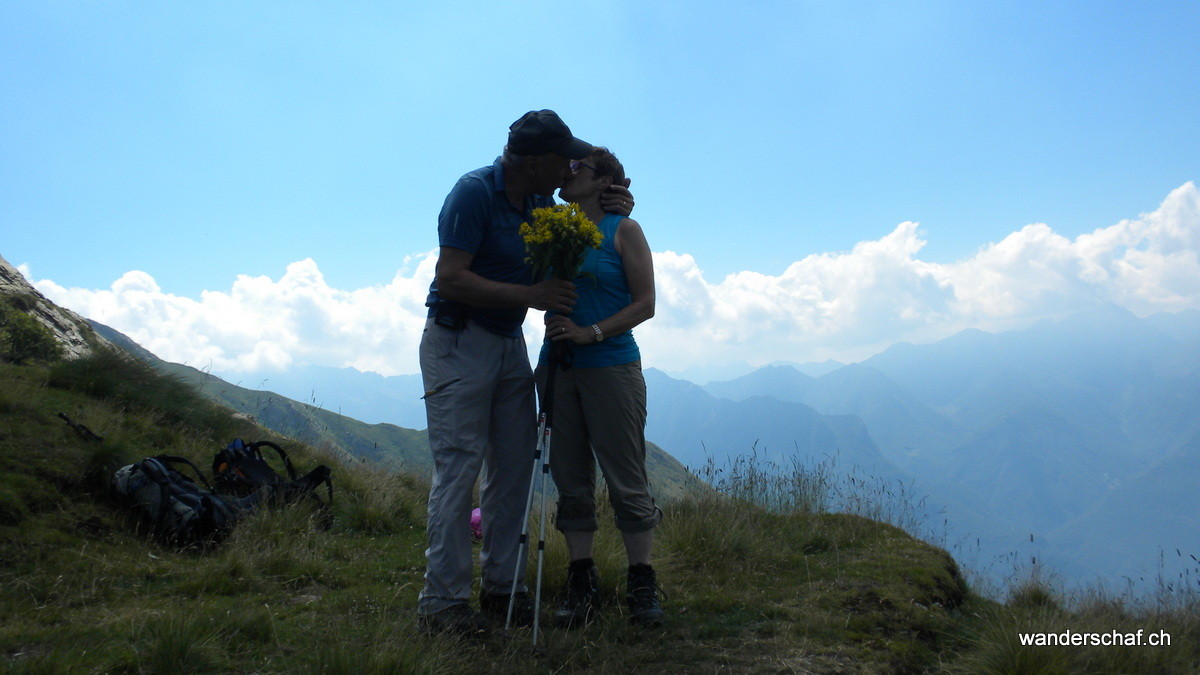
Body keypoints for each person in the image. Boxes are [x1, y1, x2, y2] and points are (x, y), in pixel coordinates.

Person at [417, 110, 633, 635]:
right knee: (460, 466)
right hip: (457, 338)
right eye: (564, 159)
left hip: (507, 341)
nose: (570, 167)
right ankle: (442, 603)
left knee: (514, 464)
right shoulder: (474, 194)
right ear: (534, 162)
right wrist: (531, 296)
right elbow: (450, 278)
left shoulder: (537, 200)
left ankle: (502, 589)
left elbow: (591, 213)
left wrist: (619, 203)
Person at [537, 147, 663, 629]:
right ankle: (581, 576)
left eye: (578, 169)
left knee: (626, 476)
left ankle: (642, 579)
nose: (567, 173)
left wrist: (590, 333)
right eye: (566, 166)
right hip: (557, 365)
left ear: (605, 181)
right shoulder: (553, 229)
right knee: (569, 476)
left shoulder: (623, 230)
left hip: (610, 364)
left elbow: (646, 303)